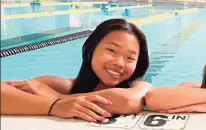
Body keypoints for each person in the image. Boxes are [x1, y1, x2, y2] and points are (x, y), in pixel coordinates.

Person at [1, 18, 151, 122]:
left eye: (130, 58)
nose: (119, 63)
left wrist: (58, 98)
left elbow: (127, 101)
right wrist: (54, 107)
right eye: (111, 50)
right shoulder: (63, 85)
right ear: (92, 49)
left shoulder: (139, 87)